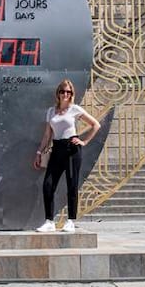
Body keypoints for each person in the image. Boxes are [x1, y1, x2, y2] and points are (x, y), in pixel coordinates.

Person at [33, 79, 101, 233]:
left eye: (68, 92)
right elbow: (47, 135)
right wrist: (38, 152)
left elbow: (96, 125)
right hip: (56, 148)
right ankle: (49, 221)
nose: (65, 94)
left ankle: (70, 221)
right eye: (63, 91)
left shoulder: (75, 109)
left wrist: (84, 141)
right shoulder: (51, 111)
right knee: (48, 185)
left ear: (72, 94)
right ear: (58, 93)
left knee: (72, 185)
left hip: (72, 148)